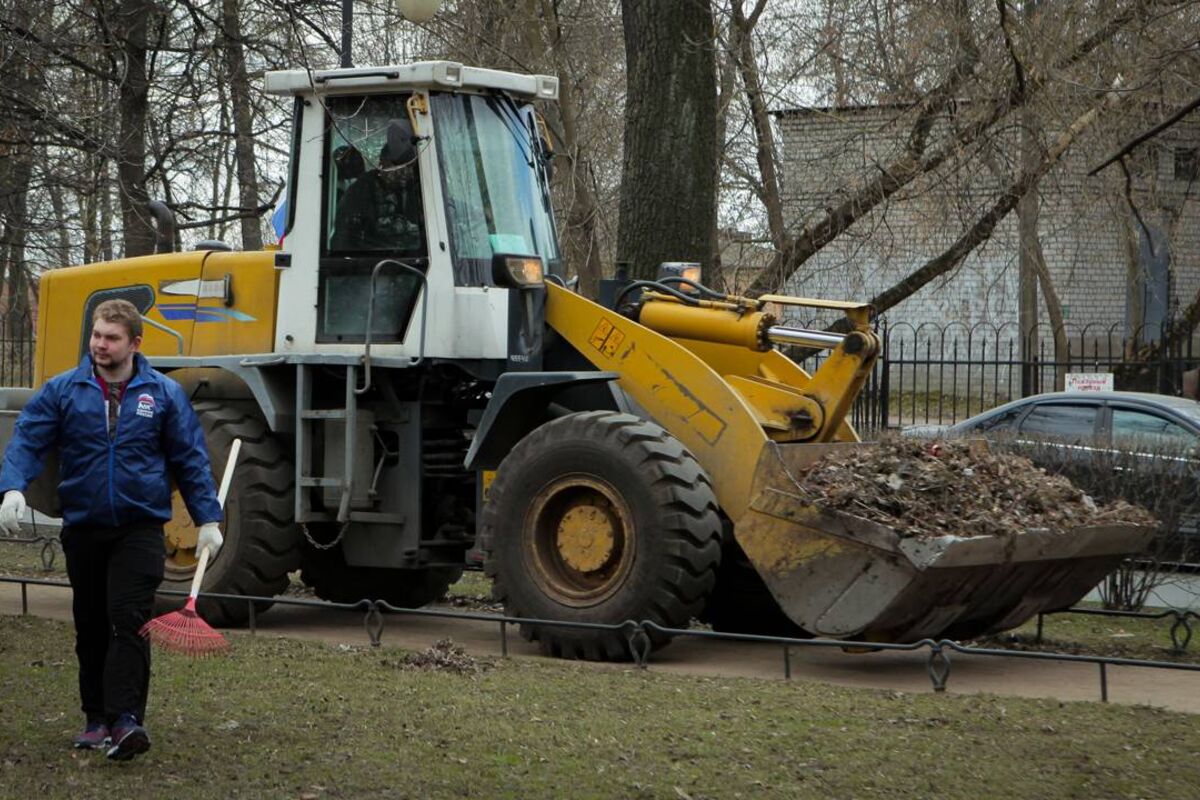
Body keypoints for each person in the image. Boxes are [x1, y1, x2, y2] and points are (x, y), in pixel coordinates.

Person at [0, 299, 224, 761]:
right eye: (97, 336)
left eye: (111, 338)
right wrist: (12, 488)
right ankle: (95, 719)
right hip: (83, 526)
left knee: (129, 619)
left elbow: (190, 459)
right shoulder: (64, 390)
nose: (100, 345)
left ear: (135, 343)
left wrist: (208, 519)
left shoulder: (162, 395)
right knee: (92, 624)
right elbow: (28, 439)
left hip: (139, 527)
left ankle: (126, 721)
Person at [330, 141, 423, 252]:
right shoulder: (362, 189)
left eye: (408, 167)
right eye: (397, 166)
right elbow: (343, 234)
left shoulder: (417, 190)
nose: (404, 172)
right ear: (382, 162)